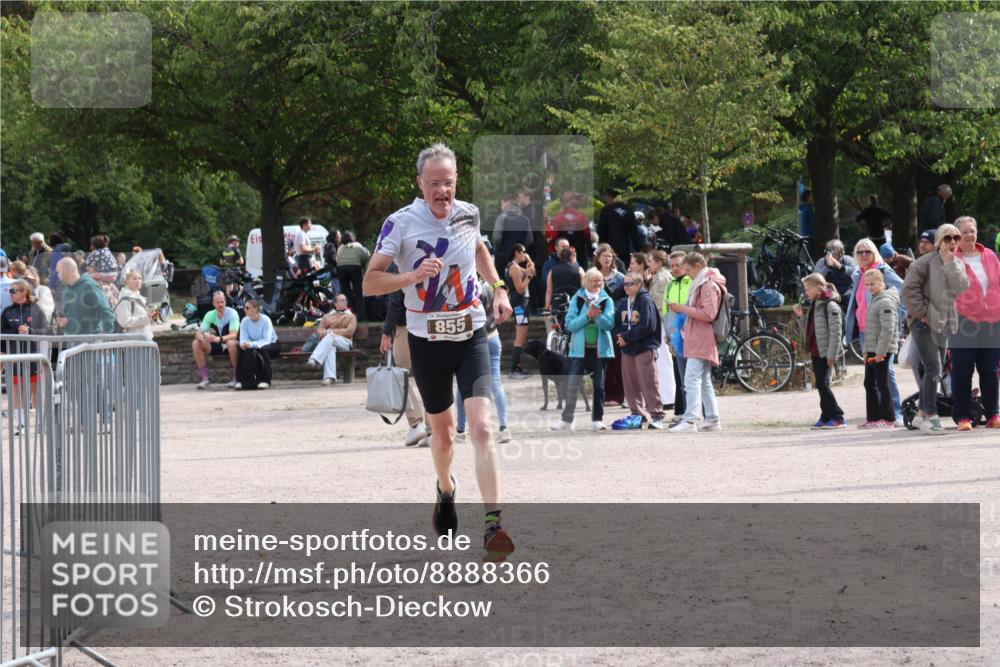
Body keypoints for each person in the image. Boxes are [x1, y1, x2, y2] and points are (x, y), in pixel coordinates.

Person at [362, 143, 515, 560]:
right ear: (420, 185)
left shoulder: (469, 213)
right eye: (434, 184)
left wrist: (498, 289)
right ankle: (446, 488)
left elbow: (480, 249)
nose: (442, 192)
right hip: (427, 342)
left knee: (482, 428)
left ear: (456, 183)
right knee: (444, 436)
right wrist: (410, 275)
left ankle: (493, 524)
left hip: (471, 335)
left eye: (448, 183)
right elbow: (369, 282)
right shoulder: (400, 223)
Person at [901, 223, 970, 435]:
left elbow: (962, 287)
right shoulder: (923, 263)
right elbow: (908, 289)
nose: (953, 242)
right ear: (939, 240)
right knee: (934, 368)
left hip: (945, 324)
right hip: (923, 323)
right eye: (948, 238)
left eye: (956, 239)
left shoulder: (956, 263)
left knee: (936, 370)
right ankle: (930, 415)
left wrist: (951, 264)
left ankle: (922, 414)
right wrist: (923, 315)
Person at [844, 238, 906, 425]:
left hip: (881, 329)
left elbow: (903, 290)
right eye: (860, 252)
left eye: (868, 251)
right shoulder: (858, 273)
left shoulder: (883, 271)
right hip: (865, 329)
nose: (864, 255)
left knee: (885, 373)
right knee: (872, 376)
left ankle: (894, 413)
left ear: (875, 254)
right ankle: (877, 414)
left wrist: (898, 317)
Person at [550, 268, 616, 431]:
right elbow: (570, 325)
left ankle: (597, 420)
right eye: (593, 280)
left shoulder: (607, 300)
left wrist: (597, 316)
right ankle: (566, 420)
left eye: (600, 280)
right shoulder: (577, 299)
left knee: (599, 386)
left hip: (600, 350)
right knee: (573, 383)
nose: (597, 284)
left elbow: (609, 324)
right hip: (579, 350)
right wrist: (587, 316)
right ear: (586, 282)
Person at [951, 216, 1000, 431]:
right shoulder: (952, 259)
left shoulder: (989, 255)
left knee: (990, 369)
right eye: (965, 232)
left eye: (973, 230)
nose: (970, 235)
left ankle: (993, 414)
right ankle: (963, 416)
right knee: (962, 370)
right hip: (964, 322)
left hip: (992, 321)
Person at [668, 252, 725, 433]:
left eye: (688, 270)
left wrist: (683, 308)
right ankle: (712, 418)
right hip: (698, 337)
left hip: (701, 337)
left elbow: (709, 314)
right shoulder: (702, 282)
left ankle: (690, 420)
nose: (687, 274)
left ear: (698, 265)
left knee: (691, 380)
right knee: (704, 380)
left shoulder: (707, 285)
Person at [381, 263, 431, 447]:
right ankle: (432, 429)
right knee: (429, 377)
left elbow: (395, 300)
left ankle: (415, 422)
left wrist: (387, 332)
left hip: (406, 325)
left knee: (399, 375)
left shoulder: (399, 262)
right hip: (431, 323)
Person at [455, 279, 511, 443]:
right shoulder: (492, 286)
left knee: (462, 386)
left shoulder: (465, 286)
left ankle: (460, 430)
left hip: (472, 340)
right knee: (496, 382)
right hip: (493, 336)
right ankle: (504, 427)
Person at [611, 271, 664, 429]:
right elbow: (616, 325)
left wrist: (627, 336)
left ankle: (656, 415)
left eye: (630, 284)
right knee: (630, 385)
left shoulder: (645, 301)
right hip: (627, 349)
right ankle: (638, 415)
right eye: (625, 284)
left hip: (643, 347)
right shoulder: (623, 302)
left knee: (648, 383)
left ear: (639, 285)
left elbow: (648, 326)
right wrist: (619, 337)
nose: (626, 287)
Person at [795, 273, 846, 429]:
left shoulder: (830, 305)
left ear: (818, 288)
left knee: (823, 384)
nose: (806, 292)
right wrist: (800, 317)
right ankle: (825, 416)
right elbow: (810, 328)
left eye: (808, 289)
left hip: (825, 352)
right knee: (820, 384)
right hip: (816, 350)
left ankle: (837, 416)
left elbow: (836, 331)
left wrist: (832, 354)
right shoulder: (815, 304)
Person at [1, 279, 49, 435]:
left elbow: (46, 330)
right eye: (10, 291)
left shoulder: (36, 309)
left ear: (24, 292)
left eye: (13, 291)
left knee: (37, 392)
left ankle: (42, 422)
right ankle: (21, 424)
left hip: (34, 356)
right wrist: (16, 332)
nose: (11, 294)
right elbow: (2, 333)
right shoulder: (7, 311)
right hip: (15, 357)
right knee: (17, 391)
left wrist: (30, 331)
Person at [860, 269, 900, 428]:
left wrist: (881, 352)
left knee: (882, 383)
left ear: (882, 283)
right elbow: (869, 330)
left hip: (882, 349)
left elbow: (888, 329)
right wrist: (866, 351)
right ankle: (873, 417)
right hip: (872, 348)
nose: (869, 287)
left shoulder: (885, 301)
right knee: (869, 382)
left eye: (873, 283)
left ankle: (888, 418)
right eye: (867, 284)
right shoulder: (875, 300)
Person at [594, 242, 626, 406]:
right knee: (603, 359)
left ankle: (620, 395)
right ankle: (605, 394)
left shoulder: (620, 277)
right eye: (603, 256)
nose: (607, 259)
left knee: (619, 359)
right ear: (598, 258)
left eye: (609, 255)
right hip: (600, 322)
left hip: (618, 322)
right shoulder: (593, 276)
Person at [662, 250, 691, 421]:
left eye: (678, 265)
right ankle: (686, 413)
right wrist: (669, 337)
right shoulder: (670, 285)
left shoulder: (693, 282)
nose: (675, 269)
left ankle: (700, 413)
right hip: (677, 339)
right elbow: (666, 314)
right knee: (681, 377)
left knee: (696, 377)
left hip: (694, 336)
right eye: (672, 266)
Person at [191, 291, 240, 389]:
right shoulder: (210, 314)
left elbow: (234, 335)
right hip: (217, 344)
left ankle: (236, 377)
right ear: (213, 303)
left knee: (230, 343)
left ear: (225, 302)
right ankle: (204, 379)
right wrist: (204, 338)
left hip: (231, 343)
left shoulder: (232, 313)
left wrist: (220, 338)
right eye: (218, 302)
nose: (220, 305)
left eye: (222, 302)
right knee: (196, 343)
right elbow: (198, 333)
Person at [54, 257, 116, 335]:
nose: (57, 275)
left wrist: (106, 334)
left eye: (58, 272)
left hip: (90, 342)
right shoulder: (66, 291)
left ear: (67, 271)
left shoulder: (89, 286)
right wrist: (65, 321)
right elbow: (71, 316)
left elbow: (106, 311)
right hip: (71, 341)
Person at [646, 250, 675, 410]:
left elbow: (660, 304)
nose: (648, 264)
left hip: (662, 322)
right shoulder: (656, 278)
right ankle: (665, 396)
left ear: (658, 262)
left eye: (650, 261)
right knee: (661, 359)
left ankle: (668, 397)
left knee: (664, 359)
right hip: (659, 322)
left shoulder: (664, 278)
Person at [307, 294, 356, 385]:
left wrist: (331, 332)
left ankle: (315, 359)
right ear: (335, 303)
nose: (345, 302)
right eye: (342, 300)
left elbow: (349, 332)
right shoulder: (327, 316)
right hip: (330, 342)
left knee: (330, 336)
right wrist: (325, 333)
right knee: (330, 347)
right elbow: (320, 330)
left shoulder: (351, 316)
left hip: (345, 342)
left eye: (345, 300)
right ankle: (329, 378)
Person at [506, 244, 535, 379]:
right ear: (516, 253)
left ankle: (518, 367)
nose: (525, 254)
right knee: (520, 337)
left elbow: (532, 272)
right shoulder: (514, 268)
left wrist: (529, 261)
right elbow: (519, 289)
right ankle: (513, 370)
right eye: (523, 252)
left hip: (523, 304)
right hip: (519, 304)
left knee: (522, 337)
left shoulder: (517, 267)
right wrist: (528, 277)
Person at [236, 299, 280, 390]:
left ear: (256, 309)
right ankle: (243, 381)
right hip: (252, 345)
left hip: (271, 344)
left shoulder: (266, 320)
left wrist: (251, 345)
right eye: (245, 307)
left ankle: (264, 380)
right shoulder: (244, 321)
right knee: (242, 351)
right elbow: (243, 338)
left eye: (247, 307)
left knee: (263, 349)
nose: (245, 309)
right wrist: (244, 344)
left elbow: (266, 340)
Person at [492, 193, 534, 272]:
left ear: (507, 202)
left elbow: (497, 238)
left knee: (502, 282)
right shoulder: (525, 219)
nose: (501, 207)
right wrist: (521, 250)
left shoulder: (502, 218)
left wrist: (498, 250)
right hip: (519, 258)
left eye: (502, 204)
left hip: (503, 258)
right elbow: (529, 239)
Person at [597, 189, 640, 262]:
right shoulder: (628, 210)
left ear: (610, 196)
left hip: (609, 250)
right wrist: (638, 248)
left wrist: (601, 247)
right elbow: (634, 232)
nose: (604, 199)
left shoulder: (606, 210)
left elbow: (601, 230)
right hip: (624, 249)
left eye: (605, 196)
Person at [336, 231, 371, 320]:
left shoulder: (340, 248)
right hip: (354, 267)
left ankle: (348, 315)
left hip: (341, 269)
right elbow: (366, 256)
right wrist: (362, 267)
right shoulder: (358, 245)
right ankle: (361, 316)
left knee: (346, 293)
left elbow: (337, 259)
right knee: (358, 292)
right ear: (353, 238)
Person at [115, 268, 154, 339]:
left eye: (140, 278)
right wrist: (145, 318)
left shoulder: (140, 298)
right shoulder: (126, 300)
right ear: (126, 282)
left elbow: (145, 321)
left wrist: (152, 317)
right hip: (134, 343)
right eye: (134, 278)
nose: (138, 281)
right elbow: (124, 322)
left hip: (145, 338)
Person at [545, 244, 585, 312]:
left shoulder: (552, 270)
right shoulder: (579, 270)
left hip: (557, 303)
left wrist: (547, 307)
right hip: (575, 302)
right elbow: (585, 288)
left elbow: (549, 291)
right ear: (572, 257)